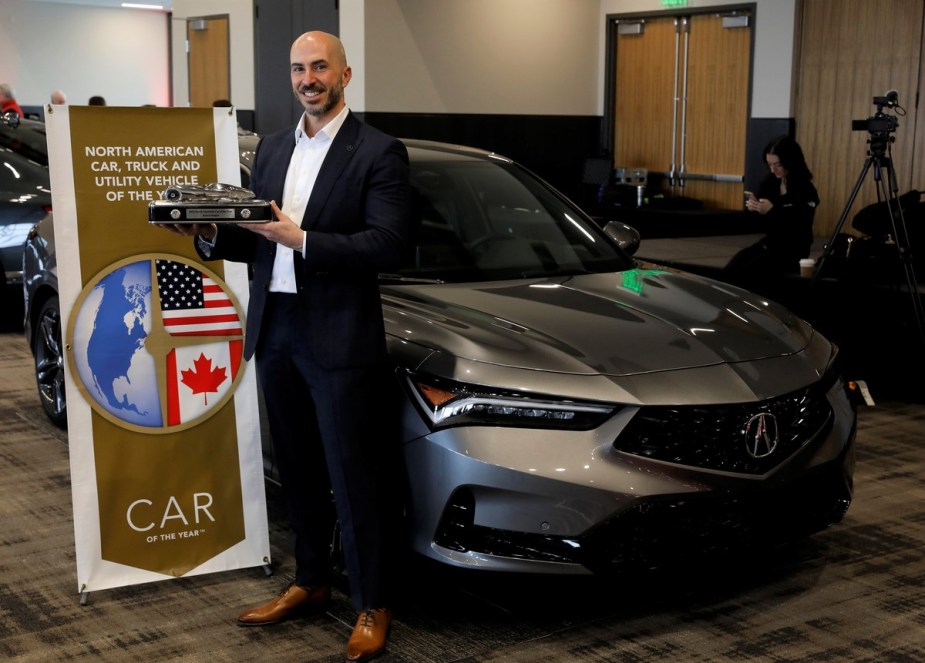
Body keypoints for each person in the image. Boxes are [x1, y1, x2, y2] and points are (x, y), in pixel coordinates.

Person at [164, 31, 410, 663]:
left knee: (352, 476)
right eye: (299, 68)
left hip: (338, 336)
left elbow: (388, 245)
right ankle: (310, 581)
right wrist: (213, 233)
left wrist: (304, 239)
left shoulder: (379, 151)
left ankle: (373, 602)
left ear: (345, 74)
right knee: (297, 468)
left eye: (320, 66)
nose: (309, 78)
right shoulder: (272, 148)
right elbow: (258, 239)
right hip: (275, 331)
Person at [724, 135, 819, 289]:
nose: (773, 169)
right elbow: (760, 224)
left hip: (792, 249)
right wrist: (754, 208)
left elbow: (800, 224)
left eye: (778, 165)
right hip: (770, 243)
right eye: (769, 165)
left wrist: (773, 210)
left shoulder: (805, 189)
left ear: (790, 162)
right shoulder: (770, 183)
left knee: (750, 273)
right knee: (733, 268)